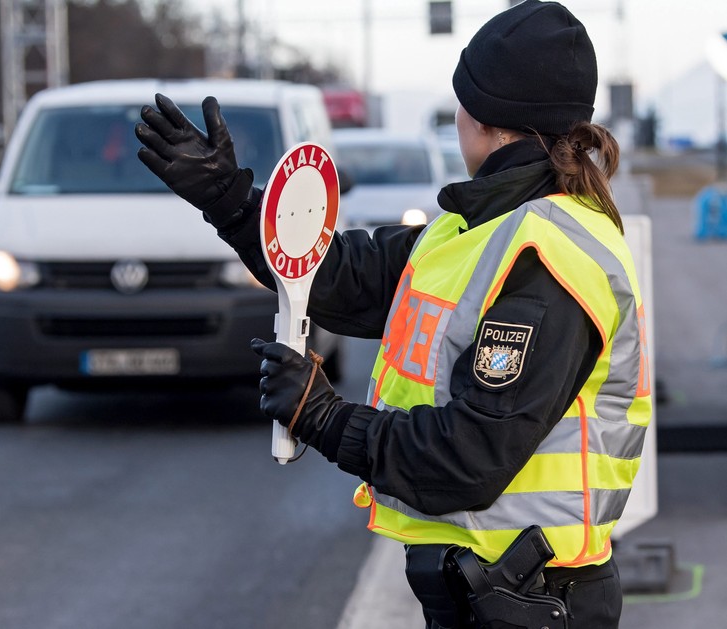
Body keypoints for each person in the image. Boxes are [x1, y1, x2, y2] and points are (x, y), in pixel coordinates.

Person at [134, 1, 652, 626]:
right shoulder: (474, 230)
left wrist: (321, 417)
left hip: (535, 602)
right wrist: (231, 199)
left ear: (484, 118)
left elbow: (469, 457)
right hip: (499, 597)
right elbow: (339, 275)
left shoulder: (547, 259)